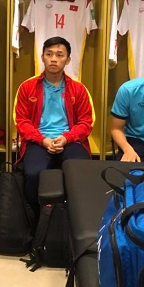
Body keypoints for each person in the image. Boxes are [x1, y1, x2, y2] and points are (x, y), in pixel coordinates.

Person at [13, 36, 93, 211]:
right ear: (42, 57)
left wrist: (66, 138)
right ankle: (36, 216)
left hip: (70, 140)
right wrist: (42, 140)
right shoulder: (27, 87)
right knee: (33, 174)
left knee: (81, 172)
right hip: (39, 141)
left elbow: (86, 123)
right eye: (49, 54)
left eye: (59, 55)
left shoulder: (78, 89)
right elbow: (22, 122)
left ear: (68, 59)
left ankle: (74, 215)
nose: (54, 59)